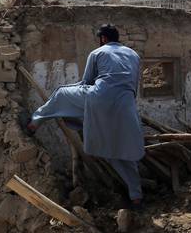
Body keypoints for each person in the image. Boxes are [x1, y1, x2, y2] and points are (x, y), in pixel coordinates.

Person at [27, 24, 145, 207]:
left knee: (61, 94)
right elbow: (134, 86)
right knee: (122, 152)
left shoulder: (98, 53)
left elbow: (87, 81)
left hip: (99, 98)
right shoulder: (134, 55)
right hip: (126, 105)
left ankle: (35, 122)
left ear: (103, 39)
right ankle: (136, 196)